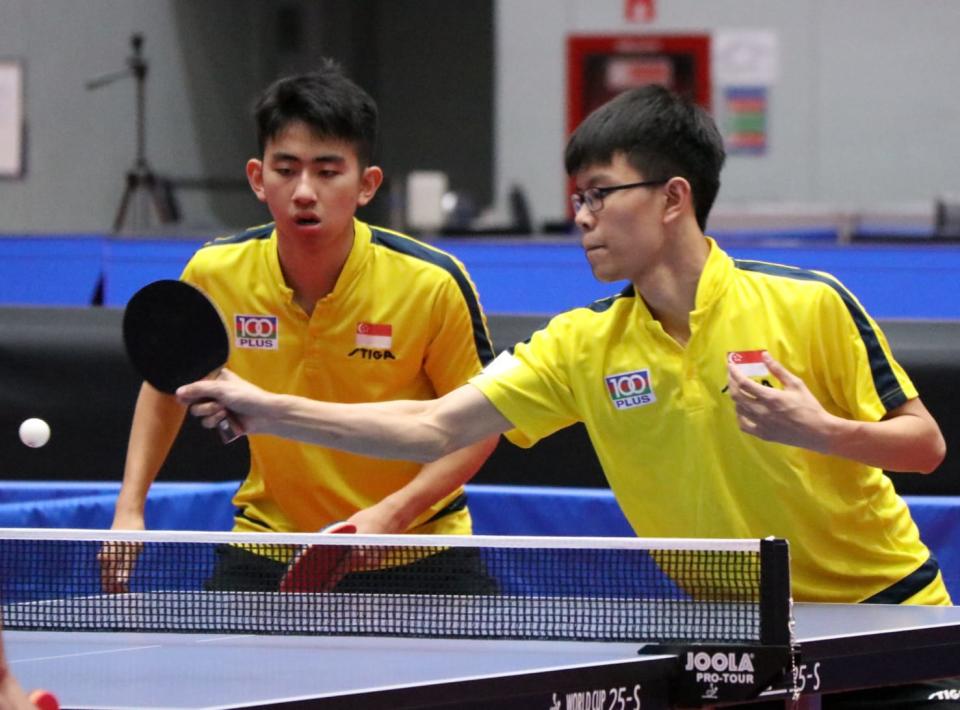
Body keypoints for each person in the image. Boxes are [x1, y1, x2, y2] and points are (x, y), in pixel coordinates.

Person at [178, 84, 958, 706]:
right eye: (576, 199)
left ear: (673, 197)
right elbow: (432, 425)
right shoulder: (583, 345)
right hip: (735, 629)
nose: (580, 218)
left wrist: (819, 429)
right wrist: (267, 406)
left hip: (883, 615)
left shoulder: (807, 303)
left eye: (599, 195)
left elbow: (924, 446)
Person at [99, 60, 499, 594]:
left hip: (417, 548)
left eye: (328, 171)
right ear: (257, 178)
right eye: (286, 169)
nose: (304, 191)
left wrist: (389, 518)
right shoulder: (215, 273)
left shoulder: (431, 283)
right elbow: (168, 383)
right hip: (270, 545)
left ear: (366, 185)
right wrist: (130, 508)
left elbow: (481, 422)